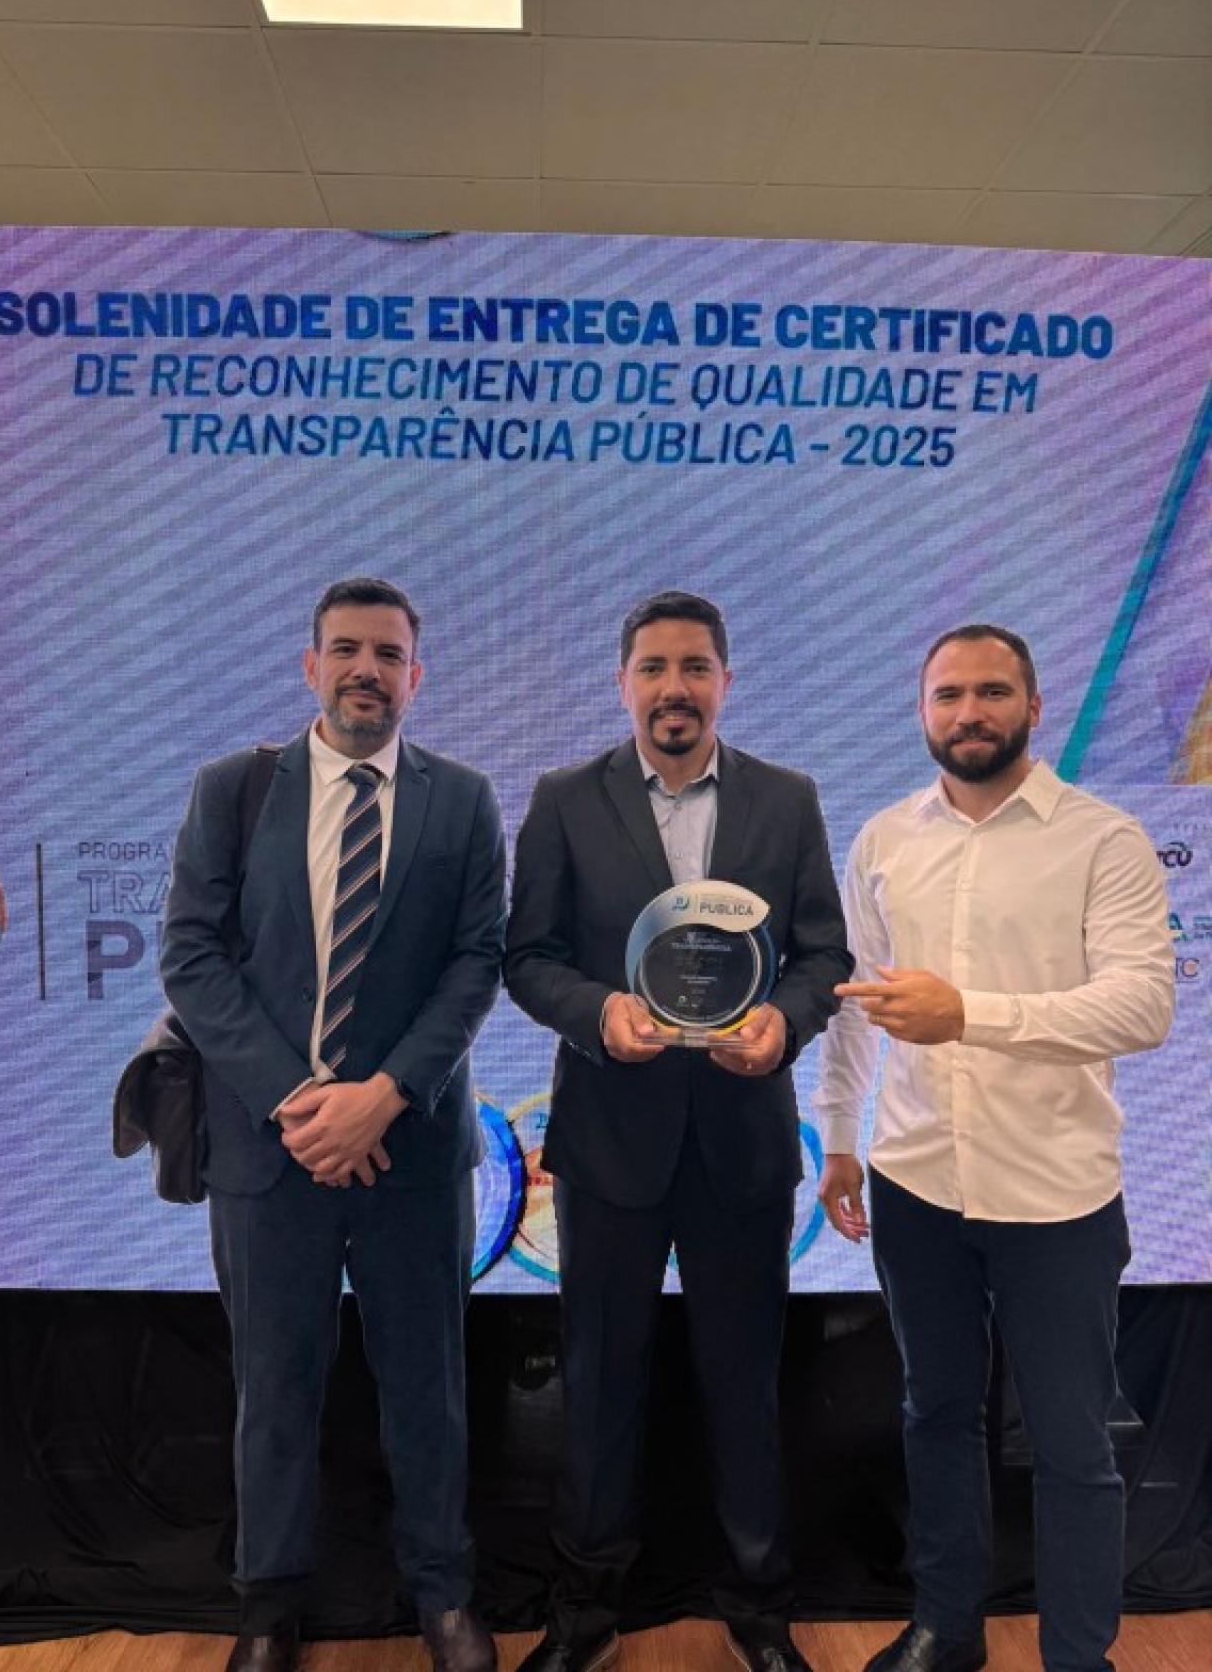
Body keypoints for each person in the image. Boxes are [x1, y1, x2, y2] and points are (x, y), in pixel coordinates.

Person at [812, 625, 1174, 1672]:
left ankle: (1077, 1656)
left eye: (990, 692)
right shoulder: (885, 838)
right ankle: (947, 1629)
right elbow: (854, 1004)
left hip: (1055, 1195)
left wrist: (969, 1012)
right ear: (921, 711)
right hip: (915, 1180)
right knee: (933, 1413)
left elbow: (1142, 1004)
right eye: (947, 694)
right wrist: (838, 1139)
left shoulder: (1103, 839)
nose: (968, 712)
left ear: (1032, 706)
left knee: (1070, 1441)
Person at [160, 577, 505, 1672]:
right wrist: (296, 1099)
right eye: (346, 649)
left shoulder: (463, 800)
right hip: (271, 1153)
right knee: (274, 1389)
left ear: (416, 676)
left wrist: (384, 1094)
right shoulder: (233, 790)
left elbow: (476, 963)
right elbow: (190, 956)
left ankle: (443, 1597)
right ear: (310, 665)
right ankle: (267, 1608)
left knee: (428, 1389)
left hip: (413, 1151)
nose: (367, 670)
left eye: (388, 654)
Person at [504, 591, 851, 1672]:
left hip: (742, 1140)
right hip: (610, 1142)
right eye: (653, 667)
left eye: (695, 667)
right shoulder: (565, 800)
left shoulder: (786, 799)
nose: (674, 687)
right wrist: (598, 1013)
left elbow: (823, 957)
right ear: (623, 683)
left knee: (744, 1383)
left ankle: (758, 1608)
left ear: (725, 682)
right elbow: (529, 958)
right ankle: (583, 1614)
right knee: (600, 1383)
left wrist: (783, 1024)